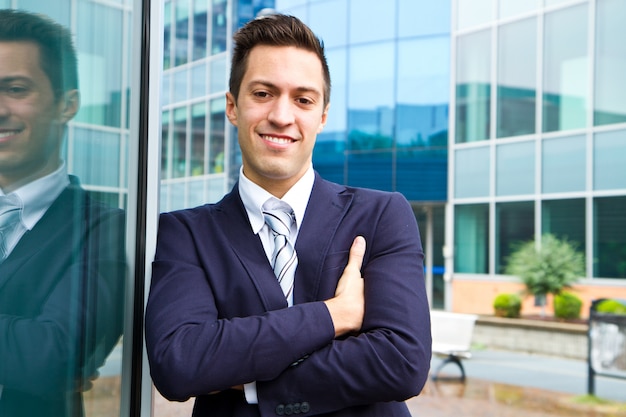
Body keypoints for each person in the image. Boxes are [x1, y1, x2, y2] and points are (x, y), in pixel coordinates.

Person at [146, 13, 431, 417]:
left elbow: (401, 363)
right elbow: (179, 364)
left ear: (322, 116)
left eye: (303, 99)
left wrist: (244, 376)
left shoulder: (382, 215)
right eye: (263, 93)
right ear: (232, 106)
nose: (282, 116)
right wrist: (335, 316)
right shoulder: (185, 233)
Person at [0, 9, 126, 417]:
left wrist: (35, 358)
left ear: (67, 104)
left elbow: (51, 357)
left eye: (15, 89)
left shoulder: (107, 230)